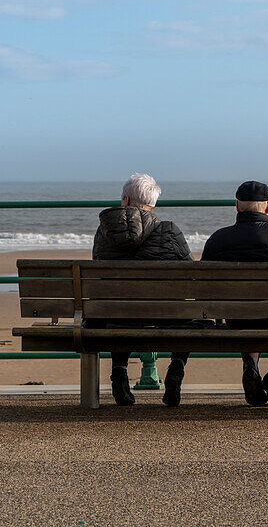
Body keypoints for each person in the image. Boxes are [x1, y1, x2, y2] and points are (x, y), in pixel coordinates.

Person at [201, 180, 268, 406]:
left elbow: (203, 286)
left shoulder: (217, 239)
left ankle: (250, 366)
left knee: (243, 313)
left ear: (237, 207)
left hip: (237, 320)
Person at [90, 173, 192, 406]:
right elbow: (191, 275)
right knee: (188, 313)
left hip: (112, 316)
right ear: (153, 203)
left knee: (117, 305)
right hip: (165, 317)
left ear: (125, 200)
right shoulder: (170, 230)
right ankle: (176, 369)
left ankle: (119, 371)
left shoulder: (104, 233)